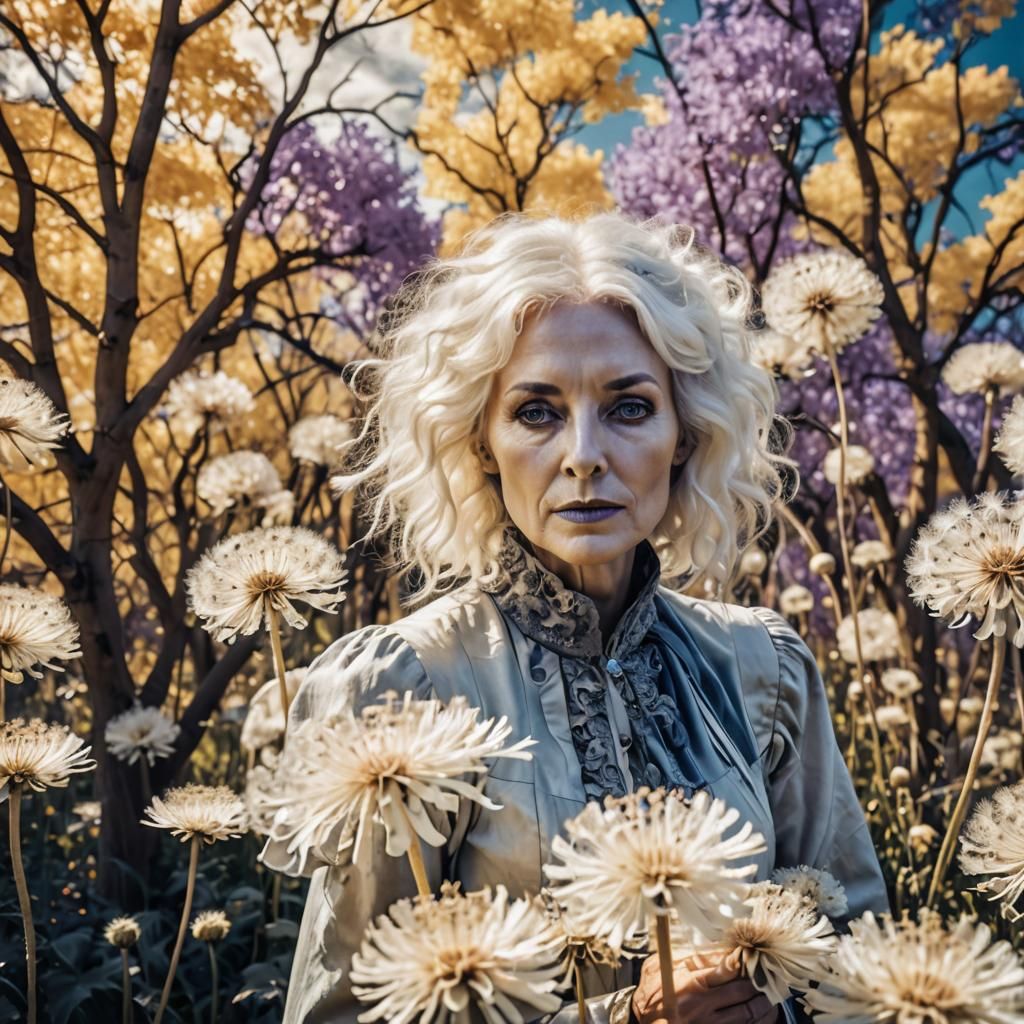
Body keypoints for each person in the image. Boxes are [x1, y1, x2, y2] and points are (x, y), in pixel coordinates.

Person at [262, 212, 890, 1024]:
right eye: (536, 411)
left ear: (684, 435)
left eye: (629, 408)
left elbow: (861, 953)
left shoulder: (764, 668)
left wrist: (783, 1006)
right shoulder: (402, 689)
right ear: (480, 441)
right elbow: (339, 1014)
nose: (584, 454)